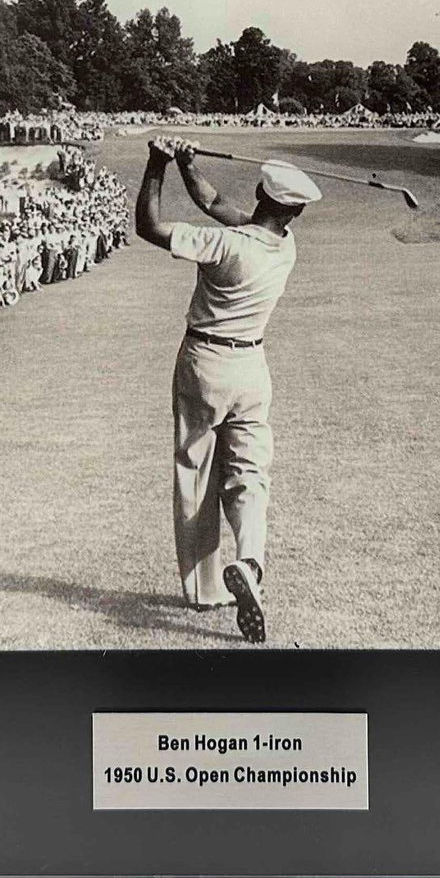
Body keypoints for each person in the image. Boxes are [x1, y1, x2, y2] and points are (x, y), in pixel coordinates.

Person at [135, 137, 321, 643]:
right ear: (296, 211)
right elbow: (215, 203)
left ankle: (206, 589)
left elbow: (148, 226)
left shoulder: (224, 245)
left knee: (195, 472)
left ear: (261, 193)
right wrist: (190, 166)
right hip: (252, 368)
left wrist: (158, 163)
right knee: (250, 474)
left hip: (204, 363)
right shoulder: (285, 248)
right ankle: (251, 562)